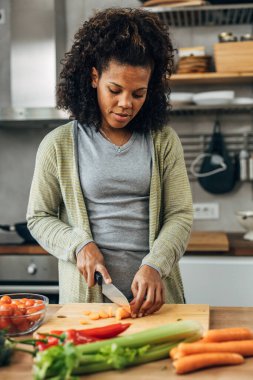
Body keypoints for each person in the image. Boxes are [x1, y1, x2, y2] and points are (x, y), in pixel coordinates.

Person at [27, 7, 193, 318]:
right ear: (93, 78)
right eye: (114, 90)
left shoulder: (163, 141)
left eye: (139, 93)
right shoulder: (58, 144)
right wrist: (78, 245)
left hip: (159, 305)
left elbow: (180, 216)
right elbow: (39, 217)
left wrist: (156, 264)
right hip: (85, 307)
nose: (126, 104)